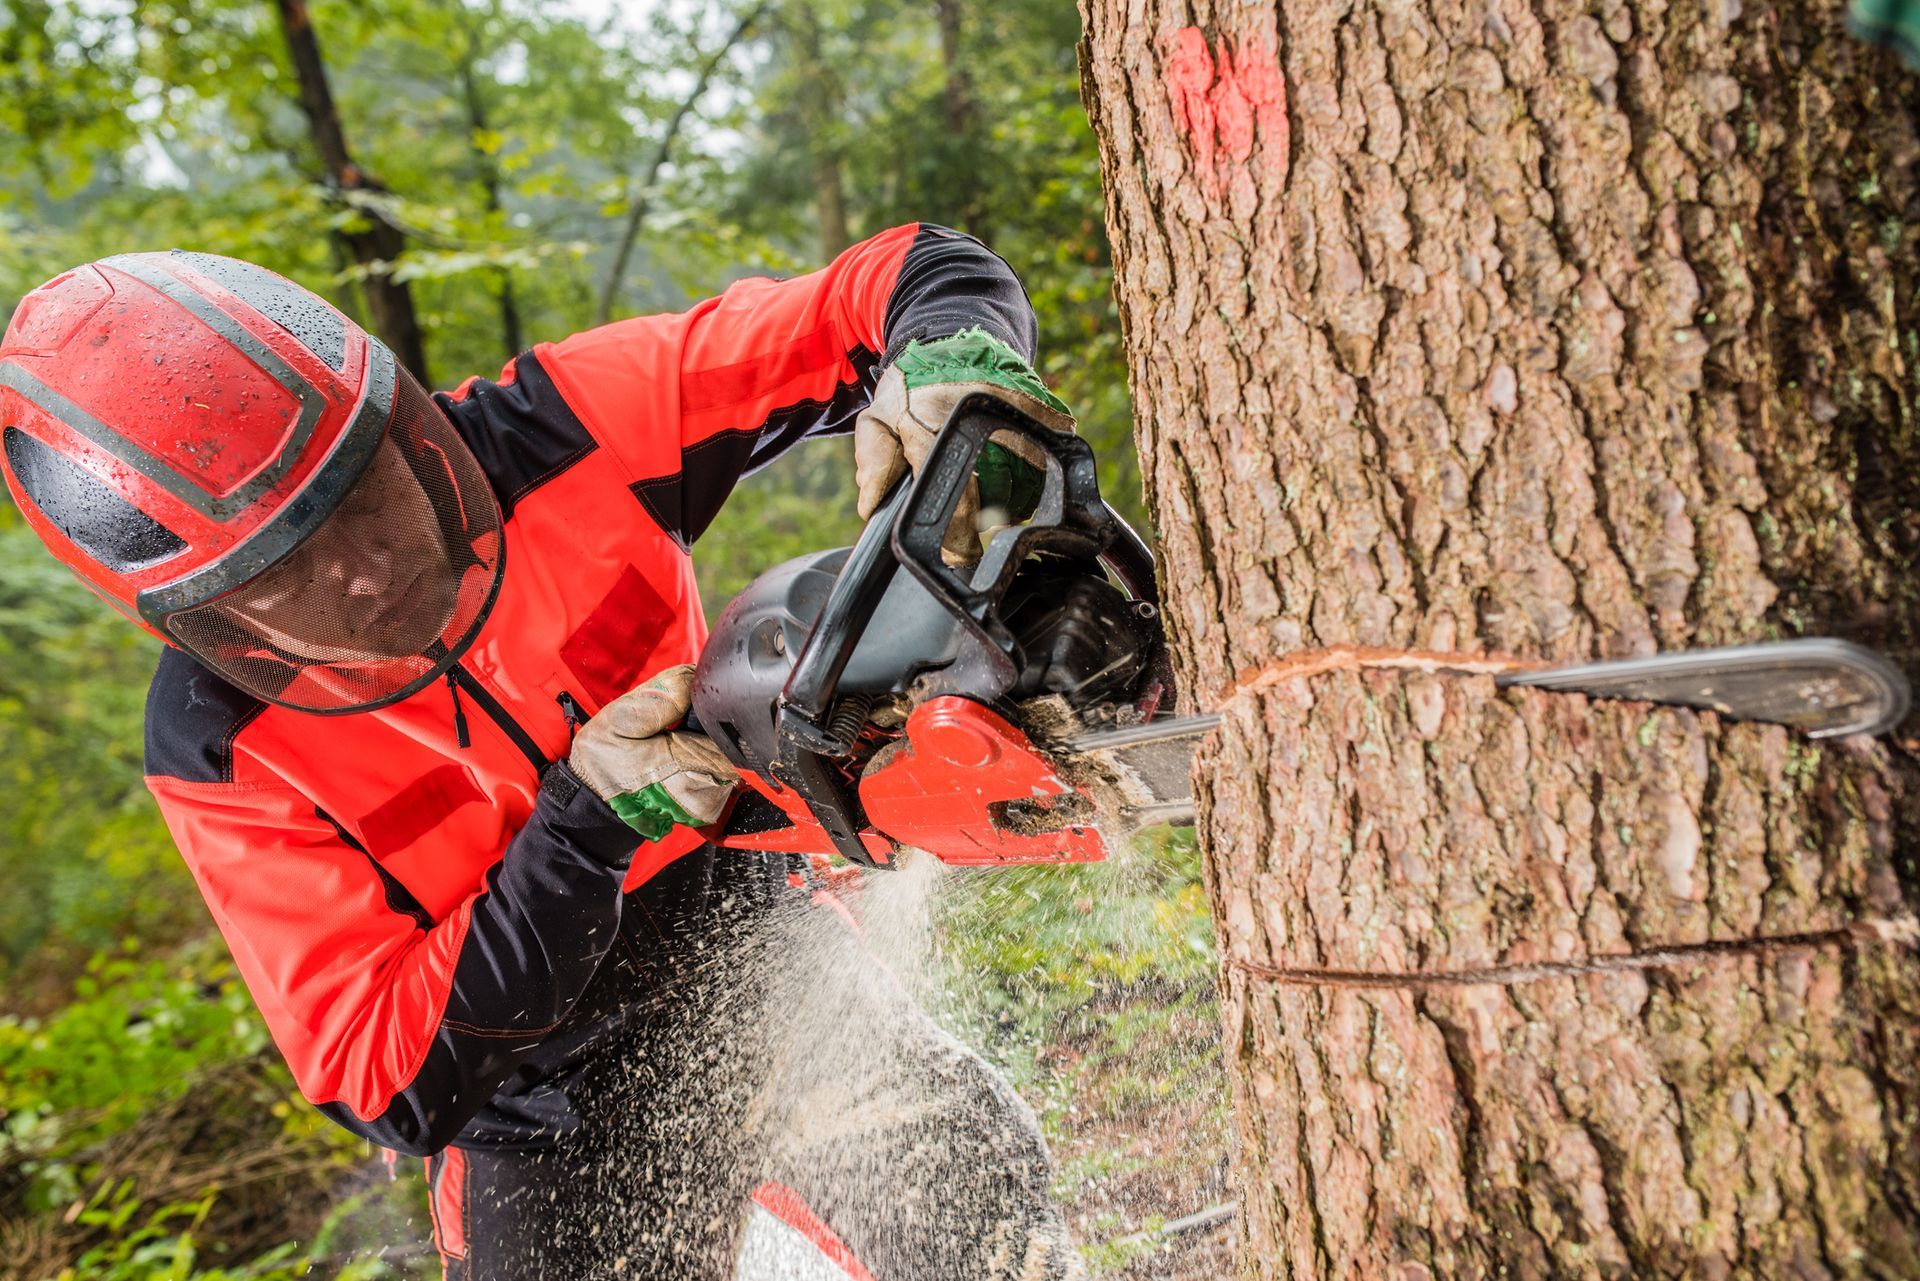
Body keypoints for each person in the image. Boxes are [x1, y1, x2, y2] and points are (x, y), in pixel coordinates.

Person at [0, 225, 1082, 1279]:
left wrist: (949, 360)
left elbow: (902, 273)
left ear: (397, 424)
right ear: (205, 614)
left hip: (756, 937)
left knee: (986, 1212)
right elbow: (383, 1077)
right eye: (286, 570)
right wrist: (590, 825)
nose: (365, 571)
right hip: (537, 1094)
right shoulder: (221, 742)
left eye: (356, 499)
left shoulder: (562, 428)